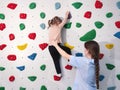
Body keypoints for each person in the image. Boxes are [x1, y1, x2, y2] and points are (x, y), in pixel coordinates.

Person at [48, 11, 72, 81]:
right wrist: (66, 15)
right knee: (67, 50)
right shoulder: (58, 26)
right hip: (56, 46)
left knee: (56, 61)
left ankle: (59, 73)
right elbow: (64, 21)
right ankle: (70, 61)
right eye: (59, 21)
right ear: (57, 22)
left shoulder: (50, 27)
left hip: (50, 47)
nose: (60, 22)